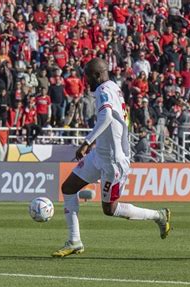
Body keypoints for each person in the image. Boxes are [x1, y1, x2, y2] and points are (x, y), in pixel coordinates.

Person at [52, 58, 170, 257]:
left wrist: (87, 142)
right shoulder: (114, 87)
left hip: (114, 162)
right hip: (100, 155)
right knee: (68, 187)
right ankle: (74, 241)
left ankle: (159, 216)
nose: (87, 81)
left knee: (110, 209)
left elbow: (106, 117)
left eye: (88, 77)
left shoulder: (103, 90)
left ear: (97, 75)